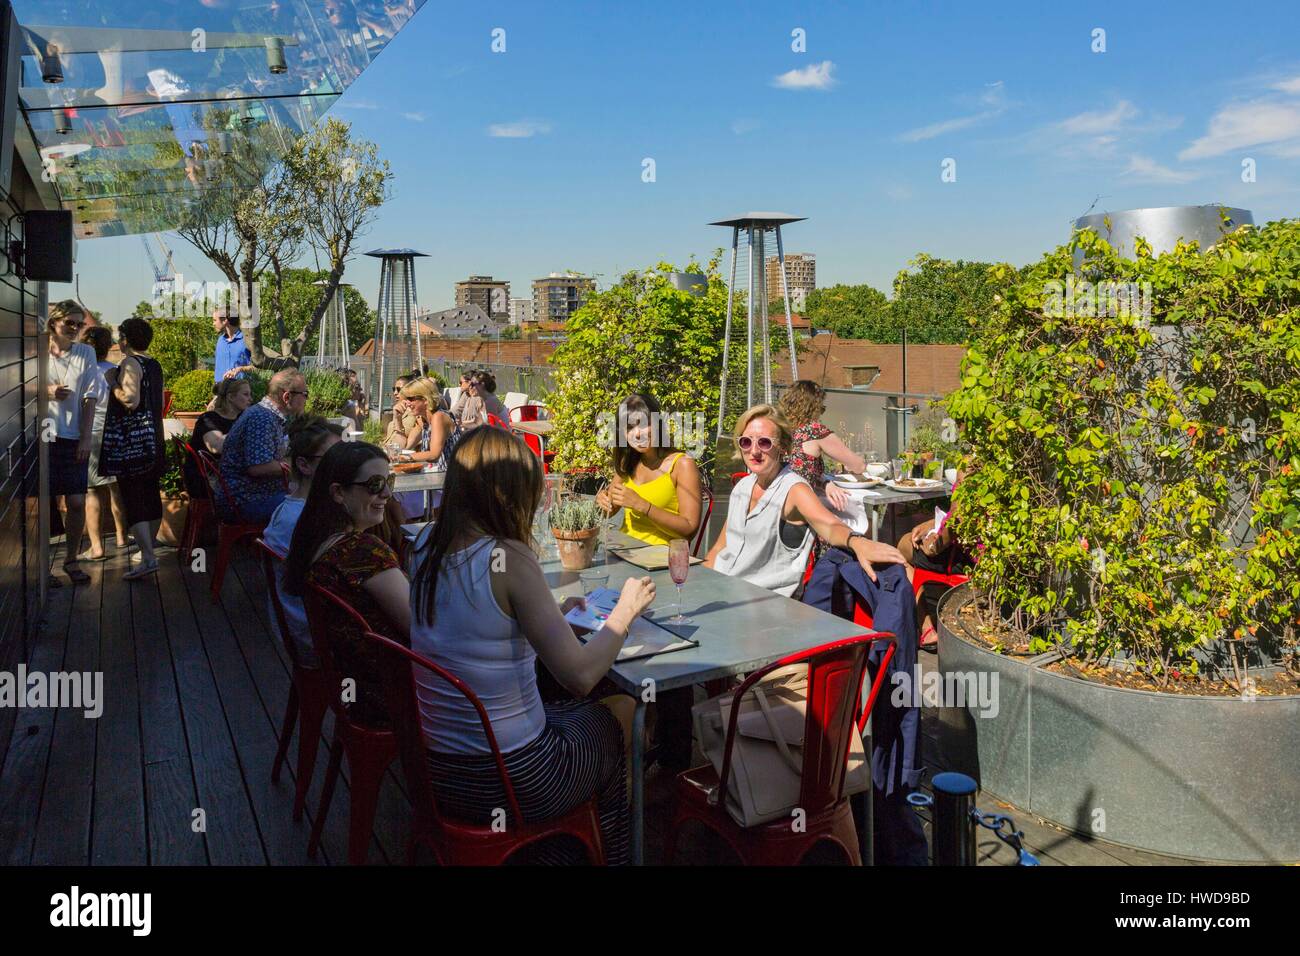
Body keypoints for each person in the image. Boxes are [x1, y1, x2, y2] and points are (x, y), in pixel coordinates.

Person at [410, 426, 655, 865]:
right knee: (619, 712)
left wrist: (550, 613)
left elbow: (473, 621)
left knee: (574, 711)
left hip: (436, 771)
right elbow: (581, 676)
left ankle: (559, 847)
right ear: (510, 493)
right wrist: (626, 611)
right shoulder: (509, 558)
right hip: (510, 778)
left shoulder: (425, 542)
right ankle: (601, 853)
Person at [703, 404, 905, 596]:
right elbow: (721, 548)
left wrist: (857, 543)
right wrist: (698, 583)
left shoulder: (793, 489)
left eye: (764, 442)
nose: (754, 451)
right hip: (723, 590)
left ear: (782, 447)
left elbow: (830, 525)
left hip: (761, 602)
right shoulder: (742, 487)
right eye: (746, 442)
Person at [283, 441, 411, 726]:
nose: (386, 493)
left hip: (354, 686)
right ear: (338, 492)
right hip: (391, 695)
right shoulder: (362, 552)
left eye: (388, 481)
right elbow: (422, 628)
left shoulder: (317, 540)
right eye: (375, 484)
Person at [263, 416, 344, 665]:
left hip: (299, 631)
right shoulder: (305, 519)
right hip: (317, 640)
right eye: (333, 458)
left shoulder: (293, 509)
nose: (345, 464)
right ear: (304, 465)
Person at [595, 392, 703, 547]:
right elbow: (608, 510)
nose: (637, 434)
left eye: (643, 424)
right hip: (622, 550)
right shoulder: (628, 462)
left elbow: (689, 530)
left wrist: (643, 506)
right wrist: (602, 503)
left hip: (661, 557)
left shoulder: (682, 464)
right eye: (629, 428)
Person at [43, 300, 101, 585]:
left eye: (79, 324)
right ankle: (42, 567)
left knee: (76, 501)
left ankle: (70, 560)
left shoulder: (86, 352)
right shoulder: (36, 350)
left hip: (73, 436)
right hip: (42, 435)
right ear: (54, 321)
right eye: (70, 323)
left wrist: (86, 437)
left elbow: (91, 395)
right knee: (43, 504)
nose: (75, 328)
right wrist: (46, 391)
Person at [105, 318, 167, 581]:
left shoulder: (130, 363)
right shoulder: (154, 364)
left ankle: (148, 557)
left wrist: (112, 382)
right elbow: (158, 401)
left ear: (125, 340)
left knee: (133, 497)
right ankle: (147, 552)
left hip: (133, 443)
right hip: (154, 438)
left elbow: (130, 400)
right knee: (151, 496)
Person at [217, 368, 307, 523]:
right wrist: (300, 466)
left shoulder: (264, 414)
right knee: (313, 506)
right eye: (304, 394)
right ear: (287, 397)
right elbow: (258, 468)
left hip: (248, 494)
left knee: (309, 496)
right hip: (245, 500)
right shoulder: (262, 419)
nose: (306, 399)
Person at [77, 324, 128, 560]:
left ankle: (96, 547)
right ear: (108, 347)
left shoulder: (82, 372)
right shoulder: (115, 371)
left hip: (91, 434)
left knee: (92, 491)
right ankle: (121, 536)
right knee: (117, 488)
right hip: (115, 434)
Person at [778, 379, 867, 512]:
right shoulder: (814, 431)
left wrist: (825, 483)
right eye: (821, 408)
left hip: (779, 502)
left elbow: (800, 472)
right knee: (857, 513)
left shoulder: (780, 429)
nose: (821, 414)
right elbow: (858, 466)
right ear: (813, 408)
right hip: (804, 507)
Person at [398, 378, 461, 470]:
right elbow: (405, 446)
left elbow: (434, 455)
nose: (407, 403)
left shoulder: (439, 417)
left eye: (410, 399)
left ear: (426, 399)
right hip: (435, 473)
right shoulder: (423, 421)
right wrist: (397, 418)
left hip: (450, 475)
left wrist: (406, 457)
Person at [212, 305, 253, 381]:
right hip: (220, 387)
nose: (213, 324)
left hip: (240, 387)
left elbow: (257, 368)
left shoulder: (247, 341)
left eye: (215, 320)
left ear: (225, 320)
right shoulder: (220, 341)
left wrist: (241, 369)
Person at [382, 375, 415, 447]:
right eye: (394, 389)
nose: (395, 393)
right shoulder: (398, 411)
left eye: (399, 389)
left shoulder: (415, 414)